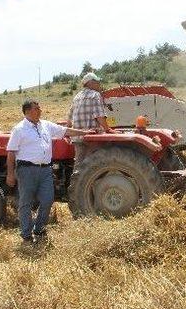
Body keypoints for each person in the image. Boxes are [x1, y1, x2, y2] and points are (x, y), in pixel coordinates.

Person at [6, 99, 92, 246]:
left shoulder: (45, 125)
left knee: (47, 200)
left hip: (45, 169)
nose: (40, 110)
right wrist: (10, 174)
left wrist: (84, 132)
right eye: (36, 108)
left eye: (39, 108)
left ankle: (39, 228)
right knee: (26, 202)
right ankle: (26, 234)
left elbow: (64, 131)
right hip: (27, 170)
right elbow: (11, 152)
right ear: (27, 112)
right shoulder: (19, 129)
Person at [67, 72, 113, 164]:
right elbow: (99, 116)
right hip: (92, 138)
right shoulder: (95, 95)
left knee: (80, 166)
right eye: (97, 82)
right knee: (95, 166)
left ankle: (77, 178)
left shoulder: (77, 97)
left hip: (78, 138)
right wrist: (108, 130)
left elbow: (69, 118)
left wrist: (68, 133)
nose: (99, 84)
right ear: (90, 82)